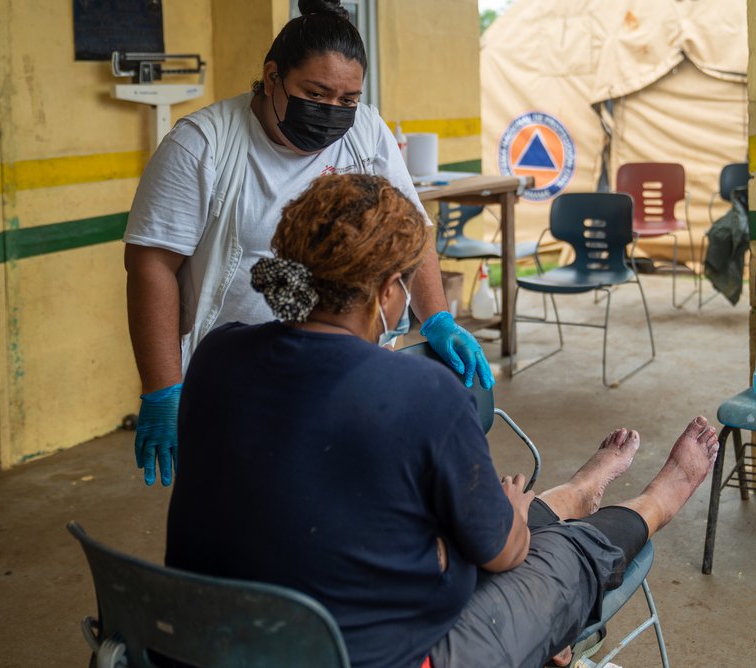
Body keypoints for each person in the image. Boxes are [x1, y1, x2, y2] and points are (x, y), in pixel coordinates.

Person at [165, 173, 720, 668]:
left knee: (483, 518)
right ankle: (656, 502)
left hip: (213, 645)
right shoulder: (422, 391)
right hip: (395, 655)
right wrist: (506, 521)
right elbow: (505, 553)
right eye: (406, 283)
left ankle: (576, 490)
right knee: (557, 553)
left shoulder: (217, 355)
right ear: (388, 292)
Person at [123, 0, 492, 487]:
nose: (333, 112)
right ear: (272, 76)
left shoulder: (364, 130)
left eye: (347, 99)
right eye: (316, 93)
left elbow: (412, 229)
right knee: (246, 500)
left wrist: (438, 316)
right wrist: (163, 386)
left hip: (348, 368)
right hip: (239, 378)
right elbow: (151, 264)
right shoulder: (204, 145)